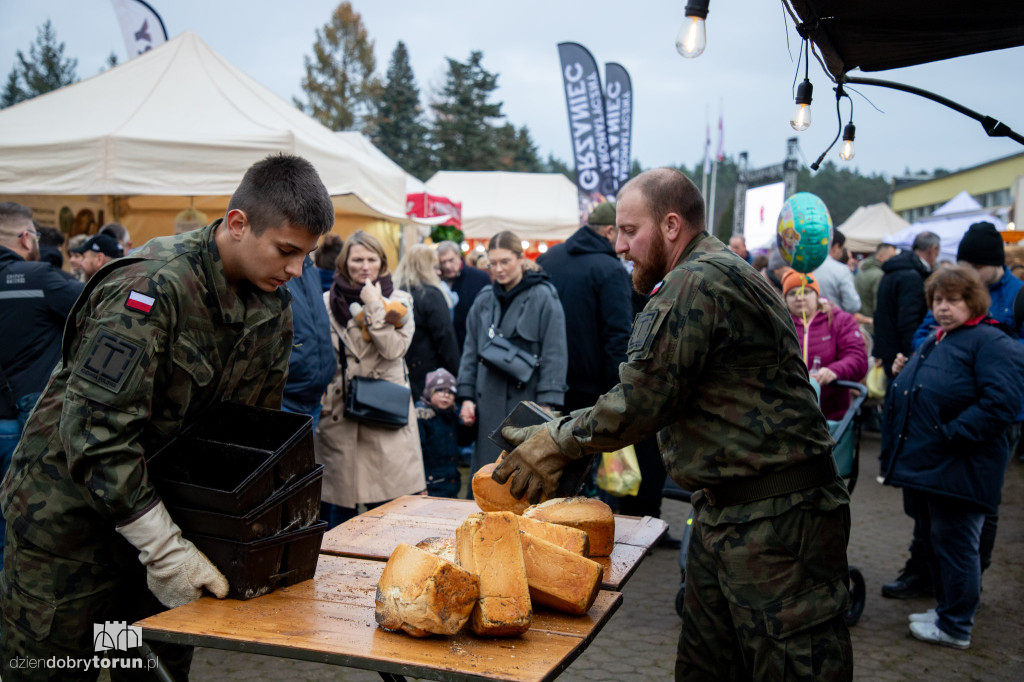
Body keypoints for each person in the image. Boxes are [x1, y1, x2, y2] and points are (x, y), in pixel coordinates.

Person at [493, 168, 853, 681]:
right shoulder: (714, 271)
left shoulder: (696, 281)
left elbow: (641, 400)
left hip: (777, 521)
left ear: (670, 225)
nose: (619, 245)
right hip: (730, 511)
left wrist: (557, 441)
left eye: (628, 230)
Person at [0, 154, 336, 680]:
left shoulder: (271, 306)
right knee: (56, 668)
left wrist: (232, 535)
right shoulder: (150, 288)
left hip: (170, 534)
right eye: (286, 250)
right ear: (238, 223)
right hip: (71, 536)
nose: (296, 270)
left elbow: (248, 438)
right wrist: (163, 548)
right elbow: (95, 434)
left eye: (306, 256)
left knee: (146, 666)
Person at [881, 266, 1024, 650]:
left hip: (961, 466)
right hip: (936, 465)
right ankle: (946, 610)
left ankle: (956, 625)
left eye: (953, 300)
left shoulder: (991, 341)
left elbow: (1002, 403)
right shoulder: (941, 338)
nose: (943, 307)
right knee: (940, 543)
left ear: (972, 301)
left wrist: (952, 434)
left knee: (958, 547)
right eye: (938, 300)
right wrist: (905, 373)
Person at [316, 231, 425, 528]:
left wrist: (375, 305)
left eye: (371, 259)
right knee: (337, 514)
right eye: (357, 260)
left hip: (385, 411)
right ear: (344, 263)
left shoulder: (400, 302)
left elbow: (394, 350)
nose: (365, 266)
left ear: (382, 262)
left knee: (388, 513)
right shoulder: (326, 302)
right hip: (341, 414)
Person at [0, 203, 85, 570]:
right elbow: (102, 307)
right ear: (25, 238)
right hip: (27, 424)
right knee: (25, 528)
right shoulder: (39, 278)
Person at [456, 230, 568, 475]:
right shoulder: (483, 300)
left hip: (527, 403)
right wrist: (466, 397)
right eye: (493, 263)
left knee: (523, 475)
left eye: (505, 261)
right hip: (487, 404)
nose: (498, 269)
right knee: (486, 474)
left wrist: (546, 403)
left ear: (520, 258)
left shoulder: (544, 296)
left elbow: (555, 353)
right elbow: (470, 351)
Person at [536, 201, 632, 411]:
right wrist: (618, 393)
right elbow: (618, 334)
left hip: (545, 383)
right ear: (609, 231)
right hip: (590, 391)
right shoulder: (611, 270)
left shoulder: (548, 257)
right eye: (624, 233)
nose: (625, 242)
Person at [781, 269, 868, 420]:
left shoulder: (840, 320)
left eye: (805, 291)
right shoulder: (780, 324)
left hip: (831, 415)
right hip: (789, 414)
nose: (799, 298)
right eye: (792, 293)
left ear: (817, 295)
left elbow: (858, 358)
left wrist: (834, 371)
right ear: (785, 299)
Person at [393, 244, 460, 399]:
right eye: (435, 267)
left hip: (400, 374)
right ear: (425, 268)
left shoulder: (396, 292)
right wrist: (456, 374)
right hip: (429, 378)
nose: (439, 272)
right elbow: (445, 338)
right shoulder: (431, 295)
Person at [874, 230, 941, 379]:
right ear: (933, 250)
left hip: (889, 346)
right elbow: (908, 320)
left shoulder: (897, 269)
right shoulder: (911, 275)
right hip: (900, 353)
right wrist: (913, 353)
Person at [282, 254, 337, 432]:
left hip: (312, 400)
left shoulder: (308, 266)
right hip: (285, 399)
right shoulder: (278, 266)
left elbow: (317, 328)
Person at [415, 368, 472, 498]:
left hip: (451, 483)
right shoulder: (421, 417)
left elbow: (464, 441)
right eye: (440, 390)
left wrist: (468, 425)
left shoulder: (451, 415)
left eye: (451, 392)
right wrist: (418, 485)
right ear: (429, 392)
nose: (446, 395)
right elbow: (416, 454)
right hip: (430, 485)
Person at [437, 240, 491, 350]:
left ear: (458, 256)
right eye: (443, 262)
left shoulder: (479, 278)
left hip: (474, 344)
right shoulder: (437, 281)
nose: (447, 266)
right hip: (445, 347)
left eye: (451, 260)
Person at [812, 228, 861, 313]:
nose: (841, 253)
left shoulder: (803, 265)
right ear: (835, 247)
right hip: (833, 318)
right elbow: (853, 305)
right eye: (842, 248)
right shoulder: (841, 270)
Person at [855, 242, 898, 335]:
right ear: (881, 256)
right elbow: (879, 306)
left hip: (861, 323)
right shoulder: (879, 275)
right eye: (891, 257)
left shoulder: (862, 270)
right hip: (872, 325)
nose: (894, 260)